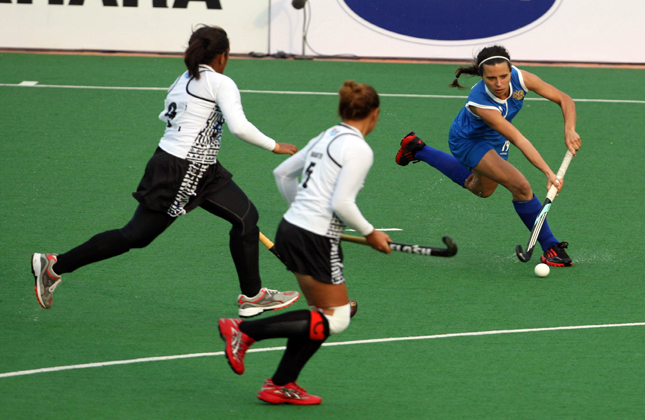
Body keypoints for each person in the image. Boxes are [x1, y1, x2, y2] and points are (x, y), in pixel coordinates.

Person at [30, 25, 300, 316]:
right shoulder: (221, 83)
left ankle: (252, 296)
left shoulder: (184, 79)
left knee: (247, 218)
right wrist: (274, 146)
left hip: (193, 166)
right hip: (185, 169)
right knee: (137, 235)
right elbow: (239, 127)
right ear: (222, 56)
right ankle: (55, 266)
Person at [218, 80, 391, 405]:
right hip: (315, 237)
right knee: (336, 317)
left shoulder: (327, 135)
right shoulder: (359, 149)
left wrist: (303, 211)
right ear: (375, 114)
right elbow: (342, 203)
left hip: (294, 228)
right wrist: (371, 232)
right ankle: (243, 331)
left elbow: (283, 173)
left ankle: (281, 383)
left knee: (319, 315)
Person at [395, 45, 581, 267]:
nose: (499, 83)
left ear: (511, 70)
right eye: (491, 78)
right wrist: (548, 173)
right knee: (521, 186)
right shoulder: (480, 101)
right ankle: (551, 246)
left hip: (494, 139)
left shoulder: (521, 78)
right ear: (482, 76)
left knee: (482, 190)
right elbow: (519, 139)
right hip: (468, 141)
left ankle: (418, 149)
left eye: (504, 76)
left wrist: (569, 129)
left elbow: (565, 99)